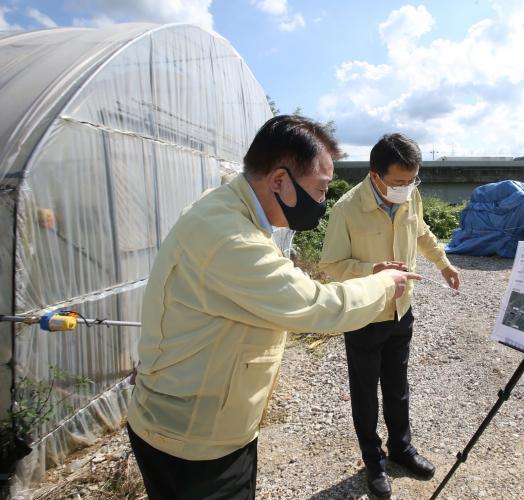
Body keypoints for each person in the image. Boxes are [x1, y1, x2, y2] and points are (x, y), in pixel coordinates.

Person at [126, 115, 420, 500]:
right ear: (280, 181)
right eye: (320, 189)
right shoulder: (230, 237)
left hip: (206, 423)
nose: (322, 201)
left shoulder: (225, 210)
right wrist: (383, 284)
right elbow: (316, 306)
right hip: (194, 443)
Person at [320, 133, 460, 498]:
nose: (407, 188)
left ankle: (401, 448)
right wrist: (373, 270)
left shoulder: (410, 196)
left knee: (397, 387)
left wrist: (443, 263)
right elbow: (331, 264)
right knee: (366, 393)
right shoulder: (347, 209)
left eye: (412, 180)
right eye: (399, 182)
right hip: (365, 315)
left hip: (401, 310)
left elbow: (422, 232)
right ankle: (374, 461)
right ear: (375, 175)